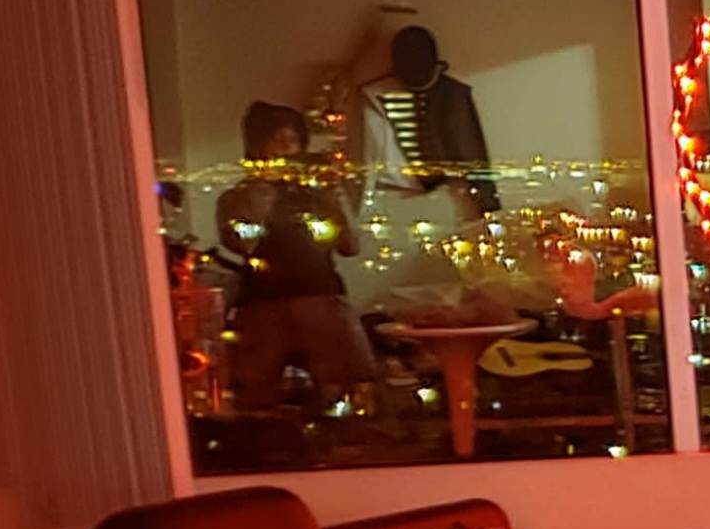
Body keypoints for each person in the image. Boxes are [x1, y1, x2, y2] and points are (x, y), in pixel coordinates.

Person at [212, 102, 377, 411]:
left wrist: (333, 194)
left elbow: (351, 246)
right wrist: (262, 190)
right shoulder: (236, 198)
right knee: (254, 398)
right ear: (258, 148)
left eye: (294, 142)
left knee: (346, 392)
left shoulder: (316, 193)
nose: (288, 150)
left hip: (322, 300)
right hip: (263, 306)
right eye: (277, 141)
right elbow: (243, 242)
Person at [361, 25, 499, 219]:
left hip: (448, 199)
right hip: (394, 201)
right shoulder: (375, 97)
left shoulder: (453, 96)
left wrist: (488, 207)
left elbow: (472, 152)